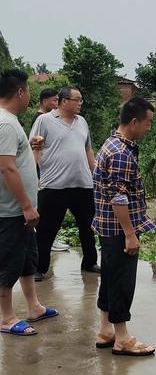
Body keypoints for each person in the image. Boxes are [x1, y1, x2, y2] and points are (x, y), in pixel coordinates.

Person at [92, 97, 155, 356]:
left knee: (109, 277)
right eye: (148, 123)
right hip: (119, 229)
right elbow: (118, 197)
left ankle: (106, 330)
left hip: (108, 227)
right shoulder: (120, 153)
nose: (149, 128)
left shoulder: (113, 144)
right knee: (121, 281)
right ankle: (122, 338)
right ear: (134, 121)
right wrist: (130, 234)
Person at [0, 69, 58, 336]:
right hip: (11, 211)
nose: (29, 96)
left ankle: (33, 306)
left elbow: (17, 162)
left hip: (21, 210)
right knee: (9, 261)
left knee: (27, 258)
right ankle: (6, 317)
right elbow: (7, 169)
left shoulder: (10, 121)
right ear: (20, 92)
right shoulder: (6, 123)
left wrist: (34, 149)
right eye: (28, 91)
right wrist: (25, 205)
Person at [29, 86, 99, 281]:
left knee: (88, 226)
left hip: (83, 184)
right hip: (53, 185)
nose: (80, 103)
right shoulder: (45, 120)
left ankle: (89, 262)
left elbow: (88, 150)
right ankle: (39, 267)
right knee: (46, 229)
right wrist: (32, 178)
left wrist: (96, 175)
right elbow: (32, 146)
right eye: (77, 100)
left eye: (81, 100)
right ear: (64, 101)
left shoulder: (82, 122)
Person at [31, 87, 69, 252]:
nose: (56, 104)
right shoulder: (41, 119)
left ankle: (47, 238)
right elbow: (36, 148)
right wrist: (40, 172)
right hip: (45, 174)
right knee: (45, 209)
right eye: (54, 100)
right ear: (45, 101)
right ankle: (46, 239)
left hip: (47, 173)